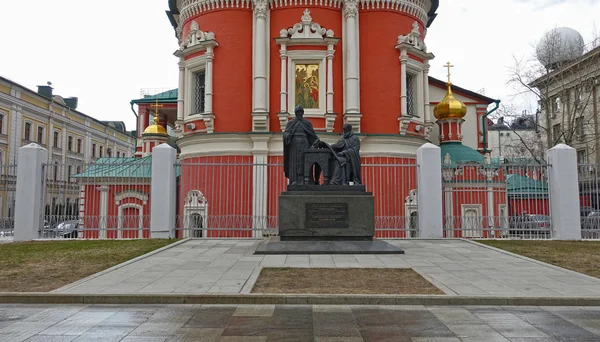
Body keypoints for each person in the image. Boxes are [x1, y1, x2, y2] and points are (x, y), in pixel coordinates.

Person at [283, 106, 319, 185]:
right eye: (298, 112)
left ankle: (306, 180)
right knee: (295, 162)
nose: (299, 113)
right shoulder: (290, 123)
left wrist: (314, 145)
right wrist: (287, 135)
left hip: (305, 144)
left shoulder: (307, 123)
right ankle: (294, 180)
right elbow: (286, 133)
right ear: (295, 113)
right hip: (294, 145)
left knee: (305, 162)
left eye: (300, 112)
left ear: (302, 113)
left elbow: (313, 136)